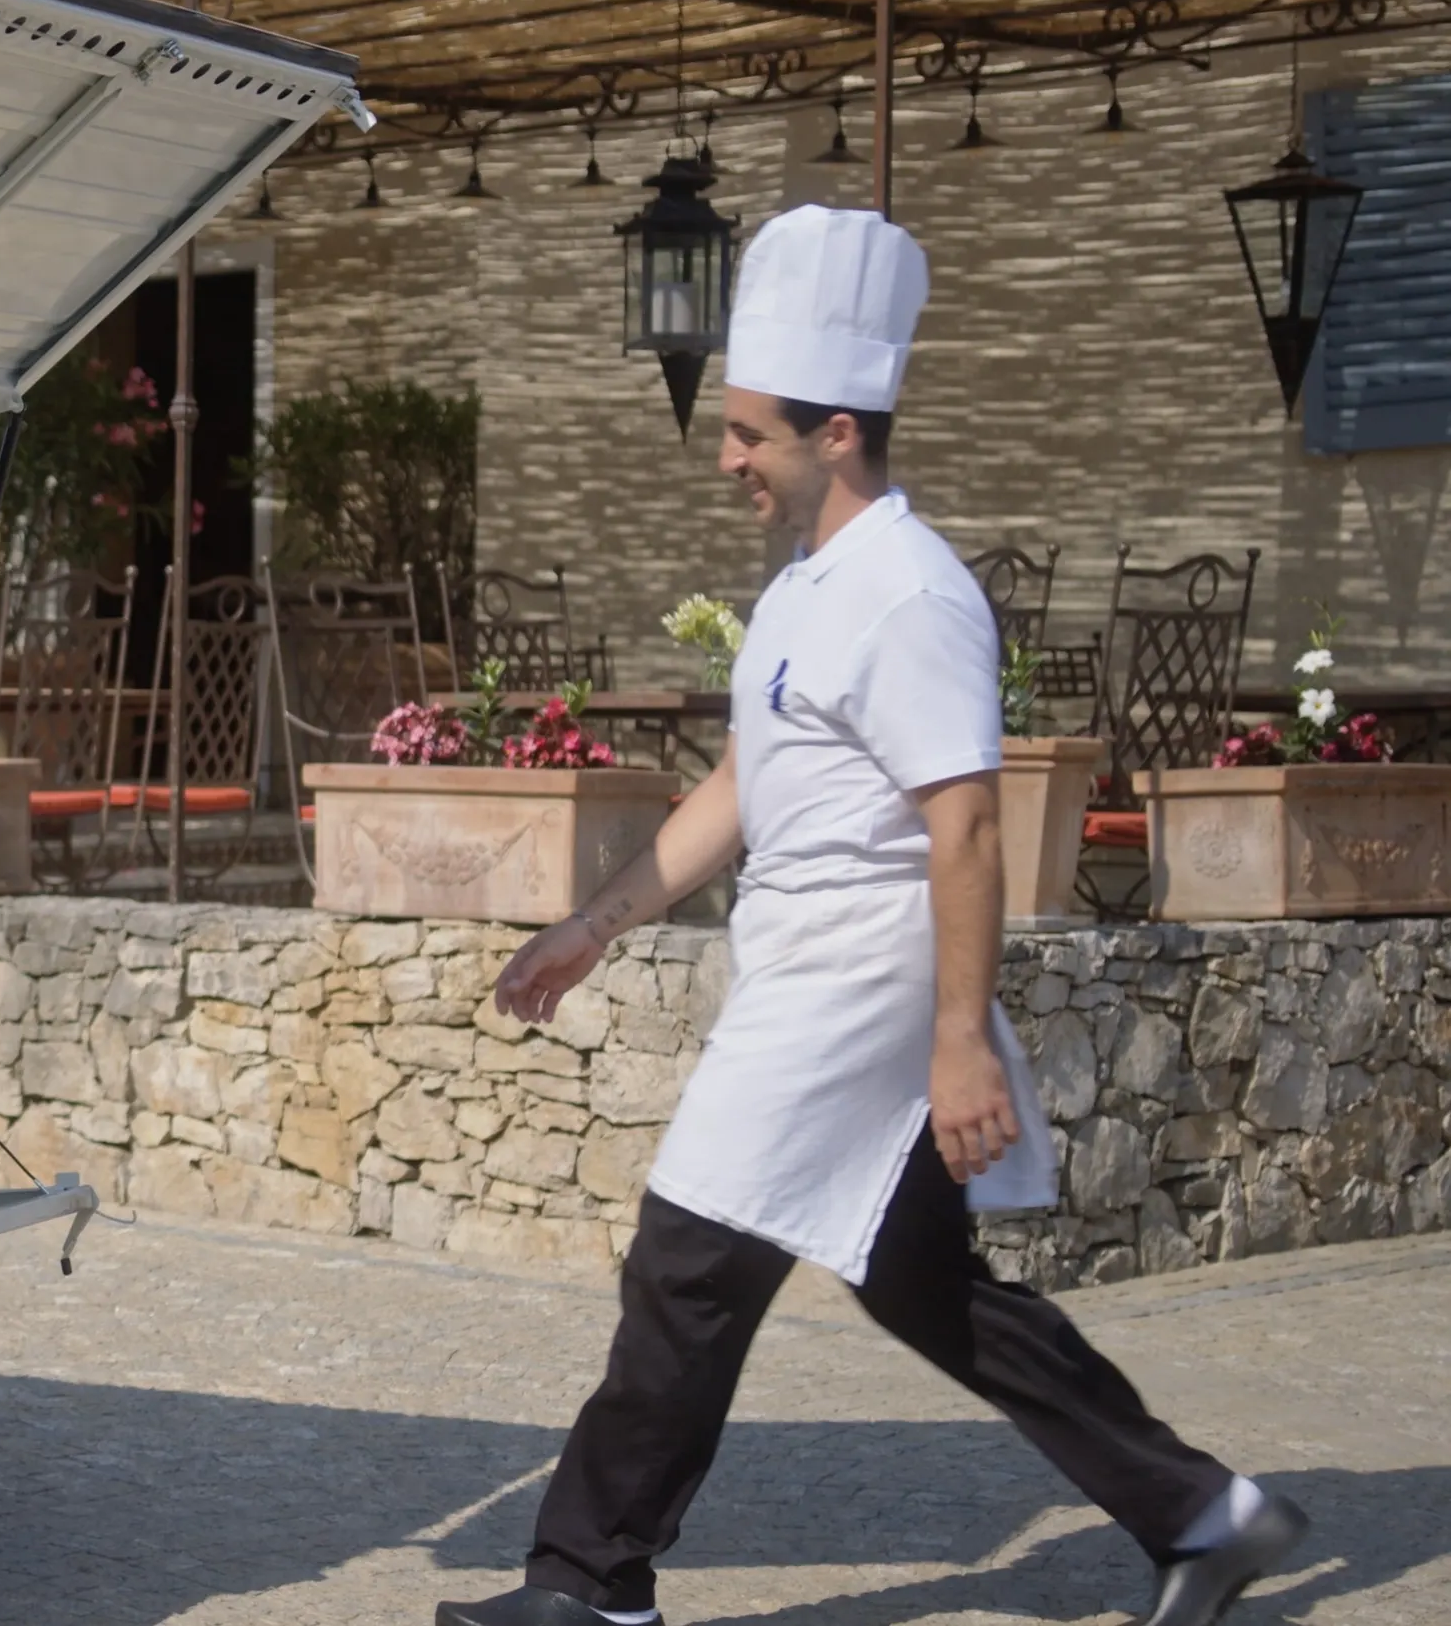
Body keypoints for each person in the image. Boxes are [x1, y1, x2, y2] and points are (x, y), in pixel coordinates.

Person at [432, 205, 1306, 1626]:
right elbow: (737, 782)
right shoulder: (803, 588)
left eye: (748, 434)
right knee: (919, 1285)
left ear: (834, 431)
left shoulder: (910, 595)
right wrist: (593, 926)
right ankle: (1203, 1512)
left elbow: (963, 826)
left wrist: (957, 1042)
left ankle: (586, 1586)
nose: (726, 458)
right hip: (804, 970)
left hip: (853, 987)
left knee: (685, 1259)